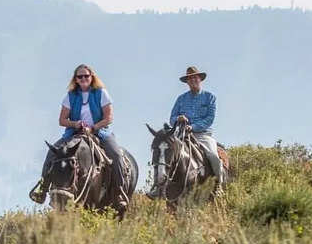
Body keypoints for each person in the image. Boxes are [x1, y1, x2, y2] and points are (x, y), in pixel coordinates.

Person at [30, 64, 128, 207]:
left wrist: (93, 127)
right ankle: (43, 188)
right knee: (52, 153)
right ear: (75, 79)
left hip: (100, 132)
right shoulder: (70, 96)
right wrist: (75, 124)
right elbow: (62, 120)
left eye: (86, 76)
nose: (83, 79)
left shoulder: (101, 93)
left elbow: (109, 118)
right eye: (79, 76)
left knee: (116, 155)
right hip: (74, 133)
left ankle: (119, 192)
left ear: (91, 77)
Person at [149, 65, 222, 197]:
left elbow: (209, 119)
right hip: (181, 134)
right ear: (187, 82)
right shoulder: (181, 99)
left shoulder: (210, 97)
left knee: (213, 156)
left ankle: (218, 186)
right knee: (164, 152)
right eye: (190, 79)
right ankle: (159, 187)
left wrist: (193, 127)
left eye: (195, 77)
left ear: (200, 79)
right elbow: (172, 118)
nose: (193, 80)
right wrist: (178, 118)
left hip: (202, 135)